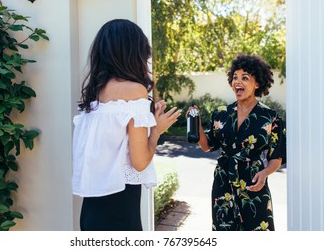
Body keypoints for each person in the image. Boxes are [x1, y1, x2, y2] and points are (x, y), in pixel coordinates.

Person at [71, 19, 181, 231]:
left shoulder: (94, 93)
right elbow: (139, 163)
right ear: (133, 53)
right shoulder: (135, 91)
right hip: (119, 213)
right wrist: (156, 130)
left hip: (91, 211)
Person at [188, 54, 286, 231]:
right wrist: (197, 124)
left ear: (257, 84)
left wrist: (265, 173)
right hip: (223, 182)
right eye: (235, 77)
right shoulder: (221, 114)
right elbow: (206, 145)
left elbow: (277, 157)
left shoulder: (271, 118)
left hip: (254, 183)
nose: (237, 82)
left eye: (245, 78)